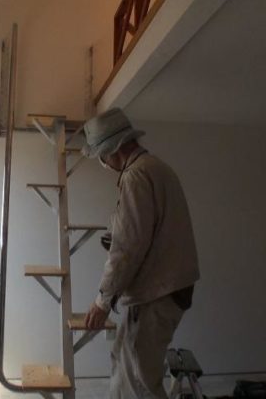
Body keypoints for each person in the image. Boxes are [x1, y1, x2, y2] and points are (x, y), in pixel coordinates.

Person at [82, 108, 200, 399]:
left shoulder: (136, 176)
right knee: (124, 365)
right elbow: (146, 232)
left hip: (156, 293)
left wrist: (102, 301)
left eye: (101, 156)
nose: (103, 162)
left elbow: (127, 250)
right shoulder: (157, 168)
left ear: (111, 149)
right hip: (168, 287)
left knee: (138, 382)